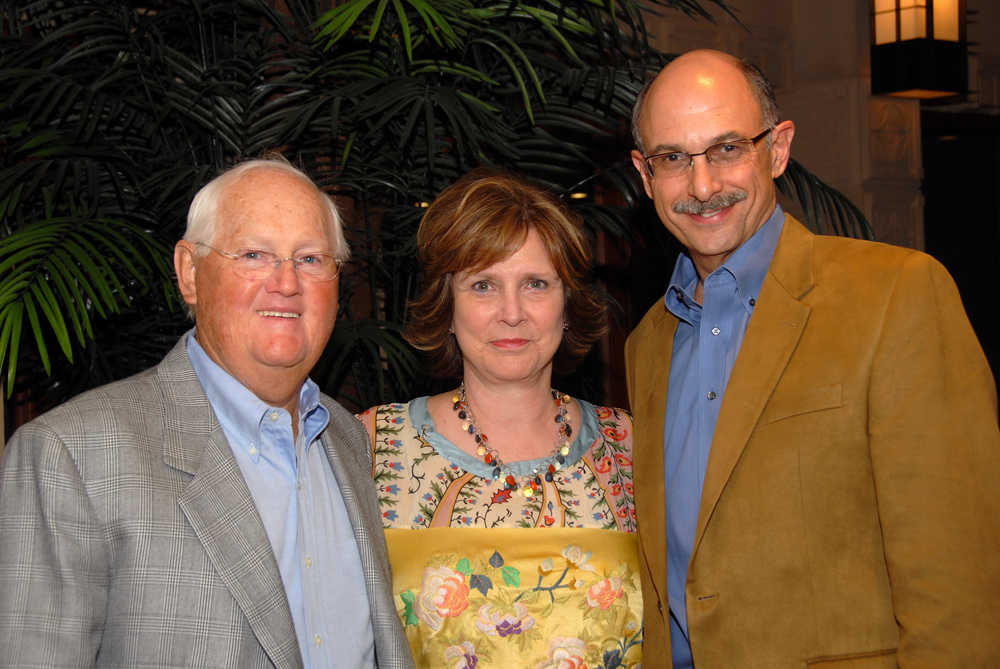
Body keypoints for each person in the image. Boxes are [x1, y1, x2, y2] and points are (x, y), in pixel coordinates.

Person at [626, 48, 1000, 668]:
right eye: (673, 159)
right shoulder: (647, 344)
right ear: (644, 174)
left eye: (727, 149)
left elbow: (958, 575)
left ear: (776, 148)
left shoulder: (895, 294)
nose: (702, 186)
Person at [0, 158, 414, 669]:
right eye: (254, 254)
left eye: (310, 259)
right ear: (190, 273)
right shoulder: (71, 456)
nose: (286, 282)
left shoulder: (347, 440)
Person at [356, 168, 641, 668]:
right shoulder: (372, 446)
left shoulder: (629, 445)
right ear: (447, 305)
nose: (512, 312)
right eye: (483, 285)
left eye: (535, 284)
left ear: (568, 303)